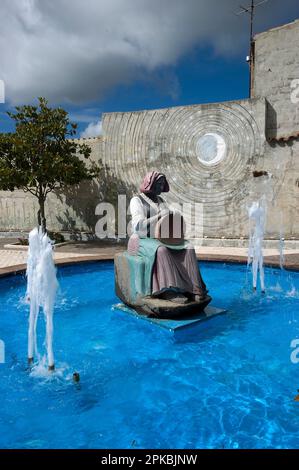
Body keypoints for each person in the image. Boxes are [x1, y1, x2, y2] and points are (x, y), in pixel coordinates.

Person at [128, 171, 208, 304]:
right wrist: (158, 216)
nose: (161, 187)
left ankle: (194, 288)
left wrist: (173, 216)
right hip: (142, 239)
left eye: (162, 184)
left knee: (188, 247)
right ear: (150, 183)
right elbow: (138, 226)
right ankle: (167, 290)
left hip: (161, 237)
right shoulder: (137, 200)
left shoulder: (161, 200)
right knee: (161, 250)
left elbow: (165, 221)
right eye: (159, 184)